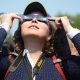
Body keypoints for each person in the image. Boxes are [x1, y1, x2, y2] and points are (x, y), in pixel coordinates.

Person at [0, 1, 80, 80]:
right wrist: (5, 27)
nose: (34, 20)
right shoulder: (6, 62)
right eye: (28, 18)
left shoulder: (65, 65)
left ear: (50, 32)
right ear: (20, 29)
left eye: (41, 19)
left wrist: (70, 30)